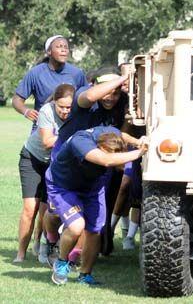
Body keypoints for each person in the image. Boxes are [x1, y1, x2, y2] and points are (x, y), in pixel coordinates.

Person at [46, 125, 147, 285]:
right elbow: (106, 161)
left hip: (93, 186)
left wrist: (138, 142)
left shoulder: (108, 133)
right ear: (99, 147)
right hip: (63, 186)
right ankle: (62, 262)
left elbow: (122, 135)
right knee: (76, 227)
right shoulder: (81, 142)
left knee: (95, 230)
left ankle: (85, 275)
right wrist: (139, 152)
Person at [14, 83, 75, 263]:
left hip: (56, 165)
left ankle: (41, 246)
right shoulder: (47, 111)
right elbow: (48, 142)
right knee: (29, 208)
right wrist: (75, 138)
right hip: (32, 158)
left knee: (48, 209)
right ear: (54, 102)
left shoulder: (78, 114)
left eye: (68, 107)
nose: (65, 111)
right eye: (61, 107)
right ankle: (21, 254)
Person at [12, 35, 86, 132]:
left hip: (69, 129)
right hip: (42, 129)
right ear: (49, 51)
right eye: (59, 47)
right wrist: (26, 111)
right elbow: (17, 99)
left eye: (66, 47)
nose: (63, 50)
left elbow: (86, 99)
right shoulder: (35, 73)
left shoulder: (77, 73)